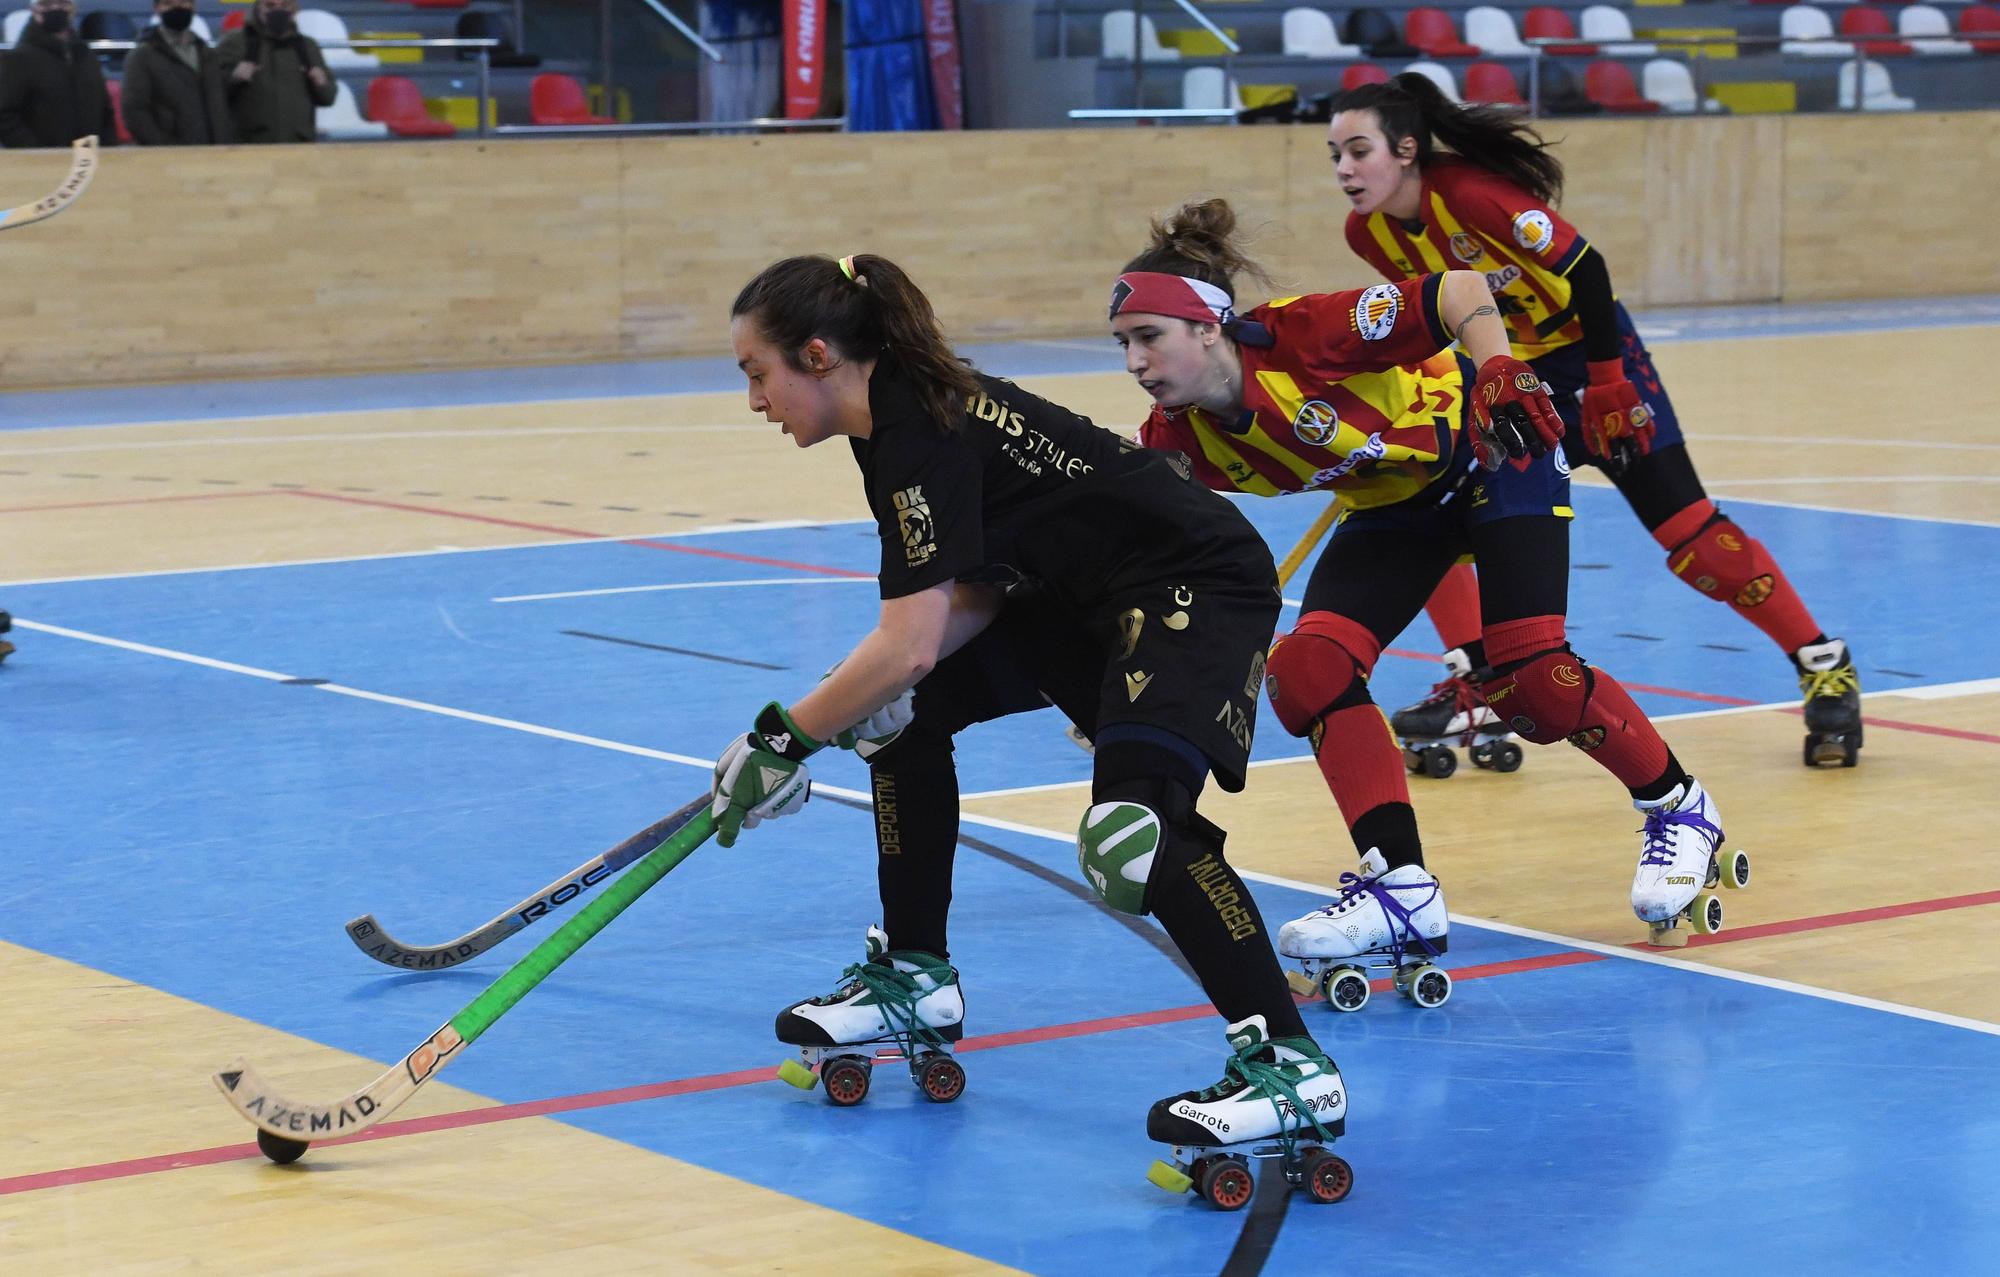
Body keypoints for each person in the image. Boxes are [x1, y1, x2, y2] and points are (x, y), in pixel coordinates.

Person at [715, 251, 1346, 1184]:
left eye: (755, 373)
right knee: (900, 717)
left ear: (816, 355)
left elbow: (912, 638)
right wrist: (853, 702)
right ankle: (917, 977)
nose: (756, 399)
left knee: (1136, 831)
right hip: (1069, 601)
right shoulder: (892, 421)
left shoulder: (915, 429)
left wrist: (781, 737)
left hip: (1191, 588)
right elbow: (954, 602)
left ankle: (1291, 1068)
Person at [1112, 198, 1737, 962]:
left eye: (1149, 337)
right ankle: (1400, 888)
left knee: (1533, 680)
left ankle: (1679, 808)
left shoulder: (1305, 332)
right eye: (1123, 344)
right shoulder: (1173, 442)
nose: (1135, 363)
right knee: (1307, 671)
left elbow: (1461, 291)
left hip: (1493, 452)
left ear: (1209, 327)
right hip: (1398, 504)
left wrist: (1500, 366)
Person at [1332, 74, 1861, 770]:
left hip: (1596, 356)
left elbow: (1588, 269)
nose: (1343, 169)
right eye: (1335, 155)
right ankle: (1485, 677)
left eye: (1358, 150)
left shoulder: (1468, 196)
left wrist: (1609, 381)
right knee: (1422, 501)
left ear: (1405, 150)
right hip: (1515, 374)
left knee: (1690, 535)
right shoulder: (1365, 234)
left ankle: (1823, 661)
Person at [213, 0, 336, 144]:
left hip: (298, 145)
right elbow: (213, 93)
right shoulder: (235, 43)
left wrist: (321, 84)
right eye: (270, 5)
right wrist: (233, 78)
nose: (278, 11)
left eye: (284, 5)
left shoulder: (308, 47)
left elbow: (328, 98)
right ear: (258, 8)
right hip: (249, 147)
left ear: (295, 9)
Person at [0, 0, 117, 150]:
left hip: (88, 160)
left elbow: (105, 109)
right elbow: (5, 115)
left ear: (73, 10)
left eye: (63, 4)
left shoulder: (86, 56)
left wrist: (108, 148)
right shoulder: (18, 59)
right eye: (47, 5)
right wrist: (33, 151)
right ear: (34, 10)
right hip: (39, 163)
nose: (55, 9)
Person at [122, 0, 237, 145]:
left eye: (183, 2)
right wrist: (164, 147)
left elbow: (218, 107)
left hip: (213, 154)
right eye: (168, 3)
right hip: (166, 158)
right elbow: (134, 111)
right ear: (157, 9)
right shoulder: (142, 57)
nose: (177, 8)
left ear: (193, 7)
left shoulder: (208, 54)